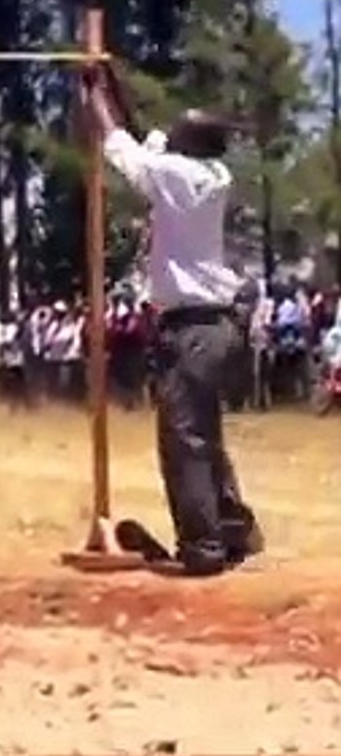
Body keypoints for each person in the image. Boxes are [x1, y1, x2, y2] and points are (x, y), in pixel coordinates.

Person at [85, 69, 262, 577]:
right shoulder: (209, 174)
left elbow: (122, 148)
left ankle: (204, 549)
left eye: (179, 127)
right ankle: (232, 531)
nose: (171, 129)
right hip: (212, 325)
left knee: (184, 437)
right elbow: (146, 140)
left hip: (194, 327)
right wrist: (113, 89)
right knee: (202, 434)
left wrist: (94, 95)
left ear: (191, 144)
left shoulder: (180, 176)